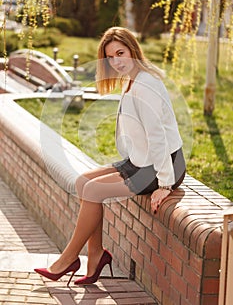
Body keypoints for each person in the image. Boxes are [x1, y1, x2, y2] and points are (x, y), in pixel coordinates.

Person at [34, 26, 186, 286]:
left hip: (163, 165)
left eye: (120, 53)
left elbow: (157, 136)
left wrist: (164, 184)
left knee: (93, 191)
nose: (116, 62)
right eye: (110, 57)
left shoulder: (145, 84)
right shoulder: (133, 78)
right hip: (141, 161)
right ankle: (96, 255)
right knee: (83, 182)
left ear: (132, 50)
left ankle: (69, 258)